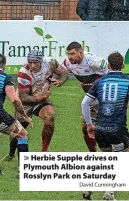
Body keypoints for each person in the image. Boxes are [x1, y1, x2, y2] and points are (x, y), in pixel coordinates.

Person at [81, 52, 129, 200]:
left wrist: (89, 124)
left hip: (100, 127)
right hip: (117, 128)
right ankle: (110, 191)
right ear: (123, 65)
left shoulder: (99, 81)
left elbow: (85, 104)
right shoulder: (127, 81)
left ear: (108, 66)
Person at [5, 50, 68, 160]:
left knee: (49, 117)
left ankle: (44, 152)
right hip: (26, 102)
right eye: (30, 62)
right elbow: (24, 98)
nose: (32, 65)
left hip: (42, 100)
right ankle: (11, 153)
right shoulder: (24, 72)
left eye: (35, 62)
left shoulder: (50, 63)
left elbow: (64, 72)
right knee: (18, 131)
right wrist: (43, 97)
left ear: (41, 61)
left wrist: (60, 81)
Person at [61, 42, 109, 153]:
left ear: (81, 52)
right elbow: (60, 72)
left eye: (72, 54)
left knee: (107, 128)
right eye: (68, 54)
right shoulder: (68, 62)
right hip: (91, 98)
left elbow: (110, 71)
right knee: (86, 128)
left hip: (104, 97)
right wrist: (60, 80)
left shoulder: (93, 61)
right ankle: (94, 154)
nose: (69, 57)